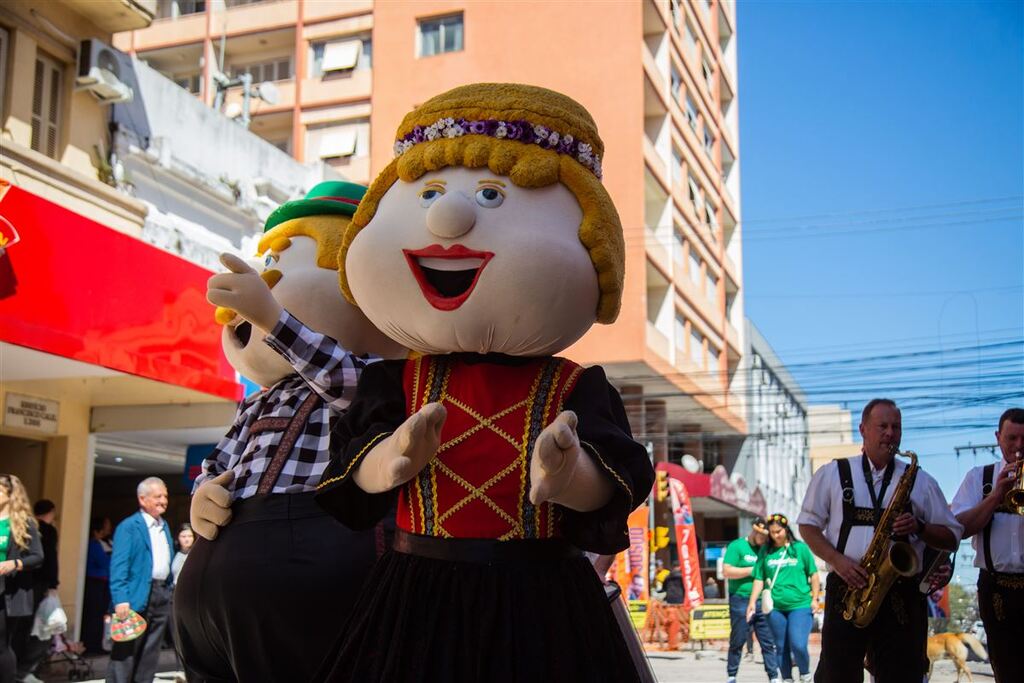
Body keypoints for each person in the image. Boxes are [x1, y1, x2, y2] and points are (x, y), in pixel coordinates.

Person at [313, 83, 655, 682]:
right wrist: (389, 461)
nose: (449, 217)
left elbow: (622, 478)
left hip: (541, 600)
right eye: (431, 194)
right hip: (415, 598)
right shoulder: (396, 382)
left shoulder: (574, 386)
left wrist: (569, 477)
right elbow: (348, 469)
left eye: (493, 195)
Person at [175, 181, 406, 683]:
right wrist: (203, 493)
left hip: (312, 563)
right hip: (215, 599)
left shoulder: (376, 377)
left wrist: (274, 318)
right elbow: (220, 463)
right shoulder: (258, 398)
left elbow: (345, 383)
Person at [797, 398, 962, 683]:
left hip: (900, 593)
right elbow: (808, 526)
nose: (890, 433)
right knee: (837, 674)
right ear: (863, 429)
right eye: (882, 426)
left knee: (902, 673)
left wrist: (920, 528)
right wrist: (838, 561)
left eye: (896, 427)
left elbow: (952, 536)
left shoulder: (919, 480)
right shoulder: (834, 474)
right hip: (848, 587)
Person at [950, 407, 1024, 683]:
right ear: (998, 437)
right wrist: (995, 497)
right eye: (1012, 439)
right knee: (1006, 668)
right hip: (996, 589)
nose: (1019, 447)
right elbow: (958, 529)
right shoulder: (977, 478)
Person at [106, 477, 173, 683]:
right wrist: (120, 599)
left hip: (162, 593)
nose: (163, 500)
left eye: (165, 496)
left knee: (150, 651)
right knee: (126, 651)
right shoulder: (129, 526)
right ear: (142, 499)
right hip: (135, 595)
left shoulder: (164, 525)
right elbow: (119, 565)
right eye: (158, 496)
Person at [746, 514, 820, 683]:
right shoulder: (766, 551)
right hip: (775, 607)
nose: (775, 535)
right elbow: (759, 578)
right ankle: (786, 678)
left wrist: (815, 598)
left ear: (786, 529)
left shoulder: (799, 549)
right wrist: (752, 603)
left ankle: (805, 674)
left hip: (800, 605)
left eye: (778, 531)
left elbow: (814, 574)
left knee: (798, 644)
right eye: (772, 532)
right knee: (781, 647)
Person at [724, 517, 779, 683]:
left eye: (765, 536)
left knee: (767, 641)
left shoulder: (766, 549)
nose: (763, 539)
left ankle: (773, 677)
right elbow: (727, 571)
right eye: (761, 535)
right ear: (754, 531)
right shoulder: (737, 546)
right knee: (738, 639)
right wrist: (754, 571)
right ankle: (732, 675)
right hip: (740, 598)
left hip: (762, 599)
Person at [10, 500, 59, 683]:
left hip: (20, 582)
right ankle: (23, 670)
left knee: (19, 627)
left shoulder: (23, 526)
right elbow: (49, 558)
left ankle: (17, 670)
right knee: (38, 629)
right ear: (51, 512)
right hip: (38, 584)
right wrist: (53, 584)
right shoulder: (46, 529)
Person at [82, 517, 112, 655]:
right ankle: (92, 646)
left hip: (103, 583)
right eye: (106, 525)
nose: (109, 527)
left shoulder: (106, 542)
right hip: (95, 583)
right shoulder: (94, 544)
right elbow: (104, 563)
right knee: (94, 615)